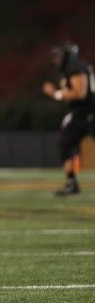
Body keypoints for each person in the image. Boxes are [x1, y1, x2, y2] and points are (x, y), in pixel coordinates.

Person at [42, 42, 95, 196]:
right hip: (79, 114)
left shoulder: (76, 67)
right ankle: (71, 183)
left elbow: (80, 94)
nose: (55, 60)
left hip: (91, 114)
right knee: (64, 145)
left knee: (65, 144)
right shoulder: (69, 70)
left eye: (58, 56)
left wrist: (56, 94)